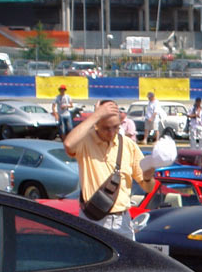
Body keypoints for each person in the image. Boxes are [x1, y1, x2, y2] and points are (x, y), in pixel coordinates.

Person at [64, 99, 151, 239]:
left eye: (116, 127)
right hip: (93, 219)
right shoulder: (85, 141)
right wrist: (96, 115)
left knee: (128, 260)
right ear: (96, 124)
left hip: (122, 220)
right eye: (106, 128)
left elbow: (148, 187)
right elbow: (68, 144)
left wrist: (149, 175)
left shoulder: (128, 145)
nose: (111, 133)